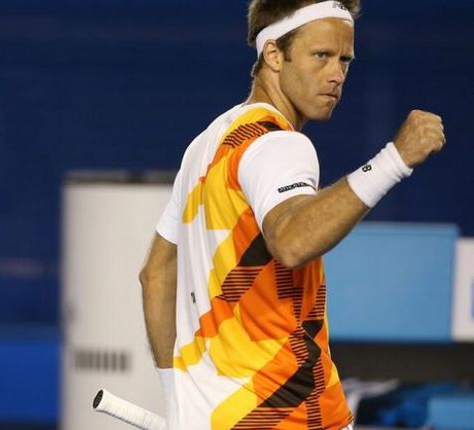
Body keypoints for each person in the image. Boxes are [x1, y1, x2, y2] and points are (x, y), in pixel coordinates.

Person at [140, 1, 445, 429]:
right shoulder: (279, 144)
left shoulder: (205, 147)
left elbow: (155, 275)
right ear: (273, 55)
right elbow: (292, 241)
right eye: (321, 55)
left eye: (344, 60)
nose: (336, 75)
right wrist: (394, 160)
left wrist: (176, 396)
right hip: (289, 415)